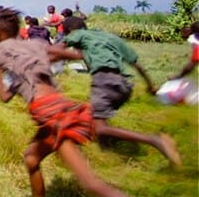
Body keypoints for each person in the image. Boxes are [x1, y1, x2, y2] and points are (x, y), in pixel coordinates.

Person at [0, 7, 131, 197]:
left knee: (90, 183)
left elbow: (3, 97)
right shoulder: (35, 45)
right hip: (60, 103)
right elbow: (73, 55)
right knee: (31, 158)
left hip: (49, 113)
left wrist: (16, 83)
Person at [50, 16, 180, 166]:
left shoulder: (78, 34)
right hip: (124, 85)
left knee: (100, 128)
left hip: (104, 82)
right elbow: (137, 65)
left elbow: (57, 49)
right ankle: (106, 150)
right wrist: (151, 86)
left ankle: (155, 141)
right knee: (96, 117)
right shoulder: (109, 37)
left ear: (69, 31)